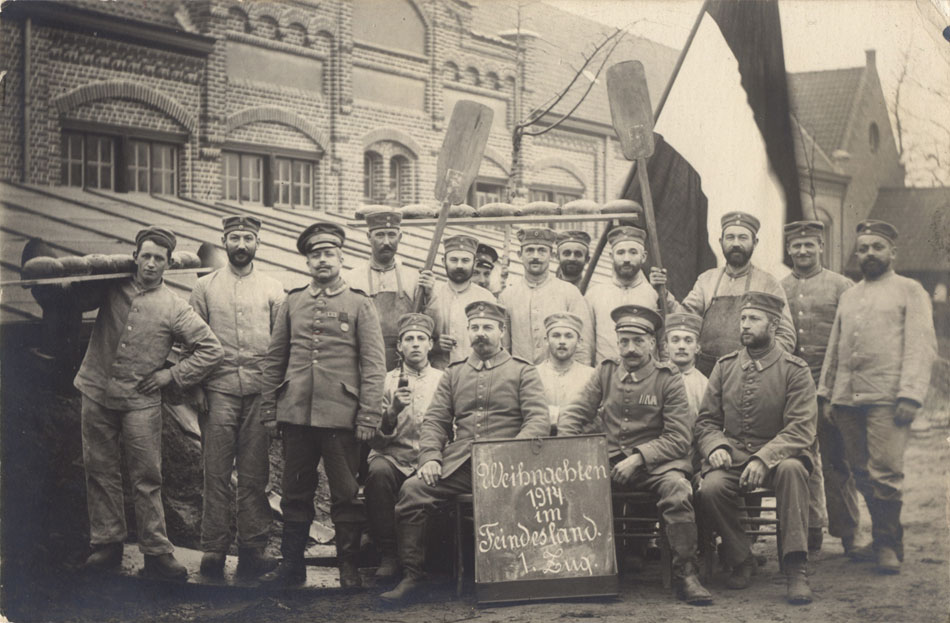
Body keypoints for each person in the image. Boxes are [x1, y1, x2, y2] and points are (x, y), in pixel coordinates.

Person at [75, 226, 223, 580]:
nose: (152, 264)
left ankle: (156, 553)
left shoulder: (174, 307)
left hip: (141, 400)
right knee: (100, 469)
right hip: (96, 390)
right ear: (135, 257)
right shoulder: (112, 284)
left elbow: (211, 349)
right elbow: (75, 296)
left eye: (160, 258)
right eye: (147, 256)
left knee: (147, 475)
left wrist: (170, 376)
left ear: (168, 264)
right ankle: (107, 544)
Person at [380, 301, 550, 602]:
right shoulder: (454, 373)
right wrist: (431, 457)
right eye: (474, 328)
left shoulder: (522, 371)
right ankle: (413, 577)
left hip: (510, 465)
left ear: (501, 331)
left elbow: (537, 420)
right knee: (412, 491)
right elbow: (435, 421)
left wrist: (513, 457)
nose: (480, 333)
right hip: (462, 464)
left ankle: (518, 578)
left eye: (487, 327)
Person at [260, 223, 386, 589]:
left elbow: (374, 365)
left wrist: (369, 414)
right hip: (297, 415)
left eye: (329, 254)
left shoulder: (360, 303)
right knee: (295, 491)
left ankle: (347, 567)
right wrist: (270, 409)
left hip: (342, 417)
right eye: (315, 255)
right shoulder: (292, 301)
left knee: (345, 493)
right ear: (307, 262)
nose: (322, 261)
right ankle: (292, 566)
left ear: (342, 258)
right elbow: (275, 358)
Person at [559, 305, 712, 605]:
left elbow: (679, 438)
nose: (630, 349)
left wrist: (639, 457)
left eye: (638, 341)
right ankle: (584, 568)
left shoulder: (669, 379)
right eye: (624, 341)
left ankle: (686, 574)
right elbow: (575, 413)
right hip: (611, 460)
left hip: (657, 465)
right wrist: (567, 448)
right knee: (575, 486)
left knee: (678, 490)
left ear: (653, 344)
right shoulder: (605, 372)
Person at [818, 220, 936, 574]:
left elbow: (921, 346)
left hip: (888, 397)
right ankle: (886, 538)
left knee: (885, 472)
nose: (869, 253)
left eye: (877, 247)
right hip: (846, 400)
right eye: (864, 248)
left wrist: (911, 394)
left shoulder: (910, 290)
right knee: (860, 470)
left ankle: (887, 545)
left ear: (892, 253)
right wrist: (826, 393)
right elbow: (835, 348)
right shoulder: (850, 295)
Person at [694, 291, 817, 605]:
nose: (745, 326)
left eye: (754, 319)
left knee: (792, 470)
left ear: (773, 325)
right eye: (743, 319)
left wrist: (765, 458)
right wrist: (715, 447)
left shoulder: (795, 370)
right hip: (734, 455)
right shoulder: (724, 367)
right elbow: (706, 420)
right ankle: (741, 557)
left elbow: (801, 428)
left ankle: (795, 568)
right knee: (711, 487)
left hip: (780, 457)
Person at [189, 215, 286, 579]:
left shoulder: (274, 288)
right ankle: (213, 551)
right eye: (234, 238)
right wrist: (197, 386)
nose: (241, 244)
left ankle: (251, 550)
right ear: (224, 241)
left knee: (254, 475)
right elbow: (191, 341)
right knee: (214, 473)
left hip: (260, 394)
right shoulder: (204, 288)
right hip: (218, 391)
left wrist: (275, 398)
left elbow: (281, 348)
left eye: (248, 238)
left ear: (258, 243)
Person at [779, 220, 858, 556]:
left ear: (821, 247)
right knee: (799, 458)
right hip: (793, 388)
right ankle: (811, 528)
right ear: (789, 250)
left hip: (832, 388)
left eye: (809, 244)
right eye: (796, 245)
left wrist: (838, 386)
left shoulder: (843, 287)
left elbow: (852, 341)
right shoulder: (779, 286)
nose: (803, 251)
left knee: (837, 460)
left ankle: (848, 532)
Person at [650, 211, 796, 375]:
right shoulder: (706, 280)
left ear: (755, 242)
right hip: (706, 372)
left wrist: (761, 364)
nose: (735, 243)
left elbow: (786, 335)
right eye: (730, 237)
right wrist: (662, 291)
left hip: (748, 372)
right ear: (721, 242)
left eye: (742, 238)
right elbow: (684, 318)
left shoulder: (768, 283)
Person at [365, 313, 443, 580]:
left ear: (430, 345)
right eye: (408, 339)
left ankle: (431, 556)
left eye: (421, 339)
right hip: (394, 456)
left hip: (431, 458)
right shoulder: (385, 381)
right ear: (399, 346)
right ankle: (389, 553)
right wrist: (393, 411)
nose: (415, 344)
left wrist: (436, 456)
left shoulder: (445, 380)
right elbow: (374, 438)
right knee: (378, 472)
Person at [346, 208, 434, 370]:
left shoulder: (415, 279)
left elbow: (428, 323)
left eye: (391, 235)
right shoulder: (351, 279)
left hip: (404, 363)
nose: (386, 242)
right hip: (364, 361)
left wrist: (429, 294)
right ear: (368, 237)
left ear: (399, 237)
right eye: (380, 235)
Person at [498, 227, 593, 365]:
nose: (535, 256)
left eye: (542, 250)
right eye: (530, 250)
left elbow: (583, 344)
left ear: (552, 255)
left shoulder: (569, 292)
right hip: (521, 377)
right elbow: (503, 347)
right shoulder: (507, 296)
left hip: (560, 377)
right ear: (519, 254)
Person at [586, 226, 679, 363]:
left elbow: (675, 327)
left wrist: (662, 293)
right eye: (621, 253)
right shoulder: (595, 294)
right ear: (611, 256)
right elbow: (586, 343)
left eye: (633, 252)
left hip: (647, 378)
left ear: (643, 257)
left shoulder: (654, 293)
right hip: (606, 377)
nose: (627, 259)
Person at [423, 235, 495, 369]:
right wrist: (436, 345)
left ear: (474, 263)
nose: (459, 265)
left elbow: (495, 344)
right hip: (439, 373)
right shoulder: (432, 294)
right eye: (454, 260)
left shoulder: (486, 298)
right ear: (444, 261)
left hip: (475, 374)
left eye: (465, 260)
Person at [534, 312, 595, 435]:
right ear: (546, 340)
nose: (562, 341)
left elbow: (594, 418)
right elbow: (530, 414)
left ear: (579, 342)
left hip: (578, 441)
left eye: (568, 336)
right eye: (556, 336)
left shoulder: (591, 376)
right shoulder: (532, 374)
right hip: (540, 442)